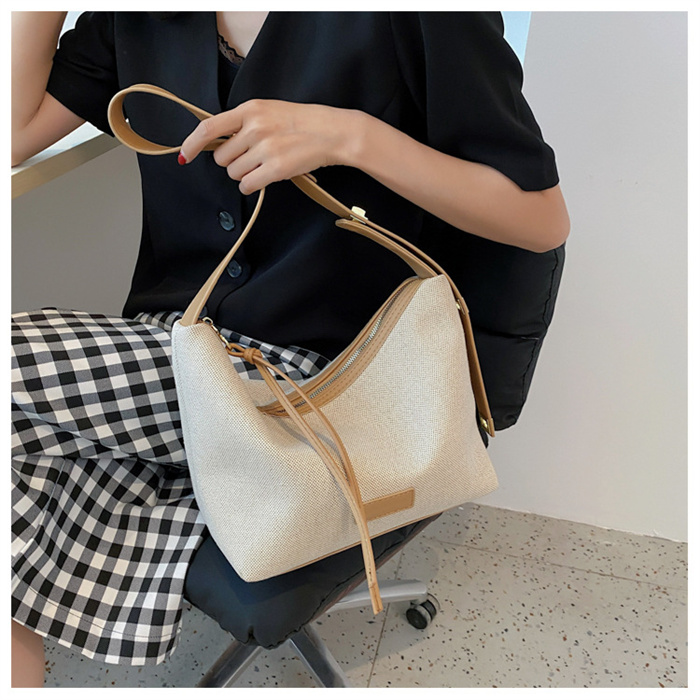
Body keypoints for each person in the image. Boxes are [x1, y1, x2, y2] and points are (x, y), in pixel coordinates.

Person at [11, 11, 570, 687]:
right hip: (180, 355)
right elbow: (15, 133)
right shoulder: (138, 15)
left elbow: (540, 220)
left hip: (333, 378)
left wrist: (352, 137)